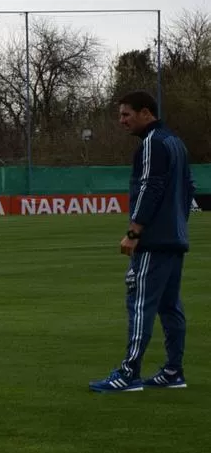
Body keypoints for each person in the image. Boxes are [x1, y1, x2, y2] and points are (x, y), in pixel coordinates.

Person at [89, 90, 196, 393]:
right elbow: (189, 188)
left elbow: (150, 187)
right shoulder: (175, 142)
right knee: (169, 305)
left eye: (126, 114)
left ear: (146, 113)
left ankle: (129, 373)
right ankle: (173, 371)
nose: (121, 121)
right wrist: (177, 225)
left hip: (153, 241)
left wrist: (134, 232)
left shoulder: (152, 143)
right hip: (174, 239)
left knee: (139, 303)